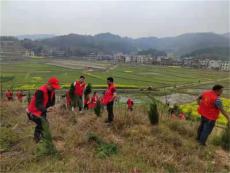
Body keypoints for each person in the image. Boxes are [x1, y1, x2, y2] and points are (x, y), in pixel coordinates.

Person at [26, 77, 61, 143]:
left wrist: (52, 107)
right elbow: (38, 104)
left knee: (43, 125)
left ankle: (41, 140)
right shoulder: (40, 91)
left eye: (55, 88)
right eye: (53, 87)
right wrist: (46, 109)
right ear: (48, 84)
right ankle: (39, 140)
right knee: (43, 124)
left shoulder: (52, 91)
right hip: (33, 112)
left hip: (41, 111)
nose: (54, 89)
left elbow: (52, 102)